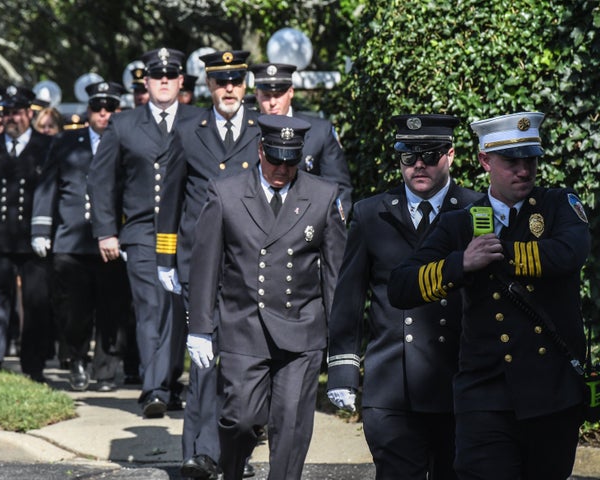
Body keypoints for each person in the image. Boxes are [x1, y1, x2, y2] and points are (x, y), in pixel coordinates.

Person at [387, 112, 589, 480]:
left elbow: (569, 254)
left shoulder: (559, 205)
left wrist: (501, 255)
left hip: (551, 393)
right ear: (485, 161)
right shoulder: (460, 223)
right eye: (512, 161)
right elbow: (401, 286)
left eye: (531, 160)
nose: (524, 170)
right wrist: (460, 263)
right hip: (486, 395)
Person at [188, 114, 346, 479]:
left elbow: (336, 273)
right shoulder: (225, 192)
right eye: (275, 158)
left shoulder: (322, 195)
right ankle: (231, 471)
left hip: (301, 329)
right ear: (260, 150)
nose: (282, 168)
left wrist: (340, 344)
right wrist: (199, 326)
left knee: (290, 426)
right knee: (240, 419)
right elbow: (206, 264)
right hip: (244, 326)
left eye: (290, 160)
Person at [326, 114, 482, 479]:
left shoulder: (477, 211)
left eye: (429, 154)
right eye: (407, 156)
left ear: (451, 155)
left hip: (456, 381)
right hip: (392, 384)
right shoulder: (371, 213)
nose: (419, 165)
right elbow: (349, 298)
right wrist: (343, 370)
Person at [156, 49, 261, 479]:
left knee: (243, 362)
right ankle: (198, 451)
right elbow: (171, 197)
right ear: (209, 86)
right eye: (221, 82)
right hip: (198, 262)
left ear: (245, 84)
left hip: (246, 262)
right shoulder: (186, 130)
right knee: (202, 354)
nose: (229, 89)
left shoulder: (261, 131)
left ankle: (236, 453)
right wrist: (166, 257)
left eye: (236, 80)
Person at [88, 48, 202, 415]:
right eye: (157, 76)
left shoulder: (199, 120)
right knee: (151, 308)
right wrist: (106, 231)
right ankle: (155, 388)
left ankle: (169, 381)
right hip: (143, 232)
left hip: (190, 232)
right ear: (147, 82)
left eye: (171, 76)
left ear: (181, 81)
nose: (164, 81)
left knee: (182, 309)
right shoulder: (123, 125)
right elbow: (101, 180)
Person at [32, 81, 131, 392]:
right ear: (89, 111)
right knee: (73, 310)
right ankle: (76, 360)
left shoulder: (126, 142)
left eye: (110, 108)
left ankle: (105, 371)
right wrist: (40, 229)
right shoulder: (66, 142)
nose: (103, 114)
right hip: (71, 239)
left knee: (111, 310)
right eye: (98, 108)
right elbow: (48, 186)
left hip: (112, 240)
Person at [0, 85, 54, 382]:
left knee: (35, 300)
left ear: (29, 113)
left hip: (34, 238)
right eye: (6, 113)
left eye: (16, 112)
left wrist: (46, 230)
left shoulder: (48, 145)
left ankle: (34, 364)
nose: (11, 118)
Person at [250, 62, 353, 215]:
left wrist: (330, 228)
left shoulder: (319, 131)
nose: (272, 103)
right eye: (266, 95)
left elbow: (339, 188)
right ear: (256, 94)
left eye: (278, 95)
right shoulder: (247, 131)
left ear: (291, 92)